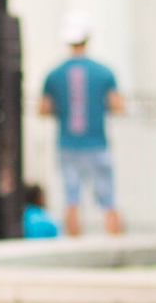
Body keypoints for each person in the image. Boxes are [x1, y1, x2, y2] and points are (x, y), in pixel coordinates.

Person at [39, 14, 125, 236]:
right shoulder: (104, 72)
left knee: (72, 199)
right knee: (109, 199)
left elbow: (43, 109)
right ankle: (116, 244)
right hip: (97, 142)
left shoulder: (54, 74)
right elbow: (118, 106)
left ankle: (74, 242)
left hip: (68, 142)